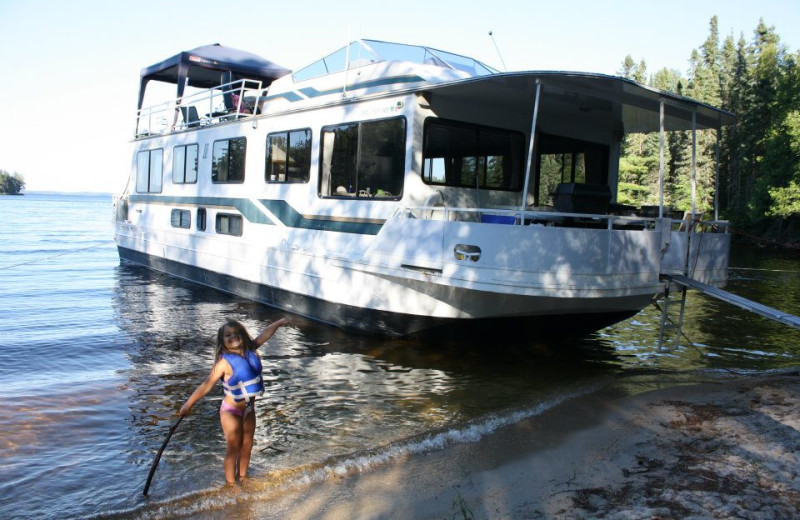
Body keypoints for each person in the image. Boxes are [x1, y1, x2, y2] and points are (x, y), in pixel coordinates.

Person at [179, 317, 290, 486]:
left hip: (249, 409)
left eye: (237, 333)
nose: (233, 337)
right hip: (231, 411)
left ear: (243, 335)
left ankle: (243, 478)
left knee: (247, 445)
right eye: (228, 335)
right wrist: (188, 404)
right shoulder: (223, 363)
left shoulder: (251, 349)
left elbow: (265, 334)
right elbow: (206, 385)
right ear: (222, 341)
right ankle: (231, 485)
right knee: (233, 448)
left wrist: (279, 322)